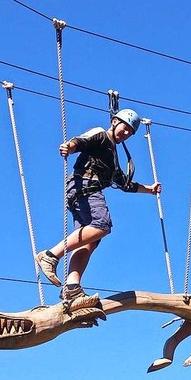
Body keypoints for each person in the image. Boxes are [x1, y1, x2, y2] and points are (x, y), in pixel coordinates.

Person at [36, 109, 162, 304]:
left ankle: (72, 287)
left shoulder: (112, 156)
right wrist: (69, 147)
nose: (126, 133)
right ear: (114, 121)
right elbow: (81, 141)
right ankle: (50, 255)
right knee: (102, 225)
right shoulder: (101, 135)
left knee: (90, 240)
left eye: (130, 132)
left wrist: (149, 189)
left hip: (83, 191)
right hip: (85, 186)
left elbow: (124, 184)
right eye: (125, 127)